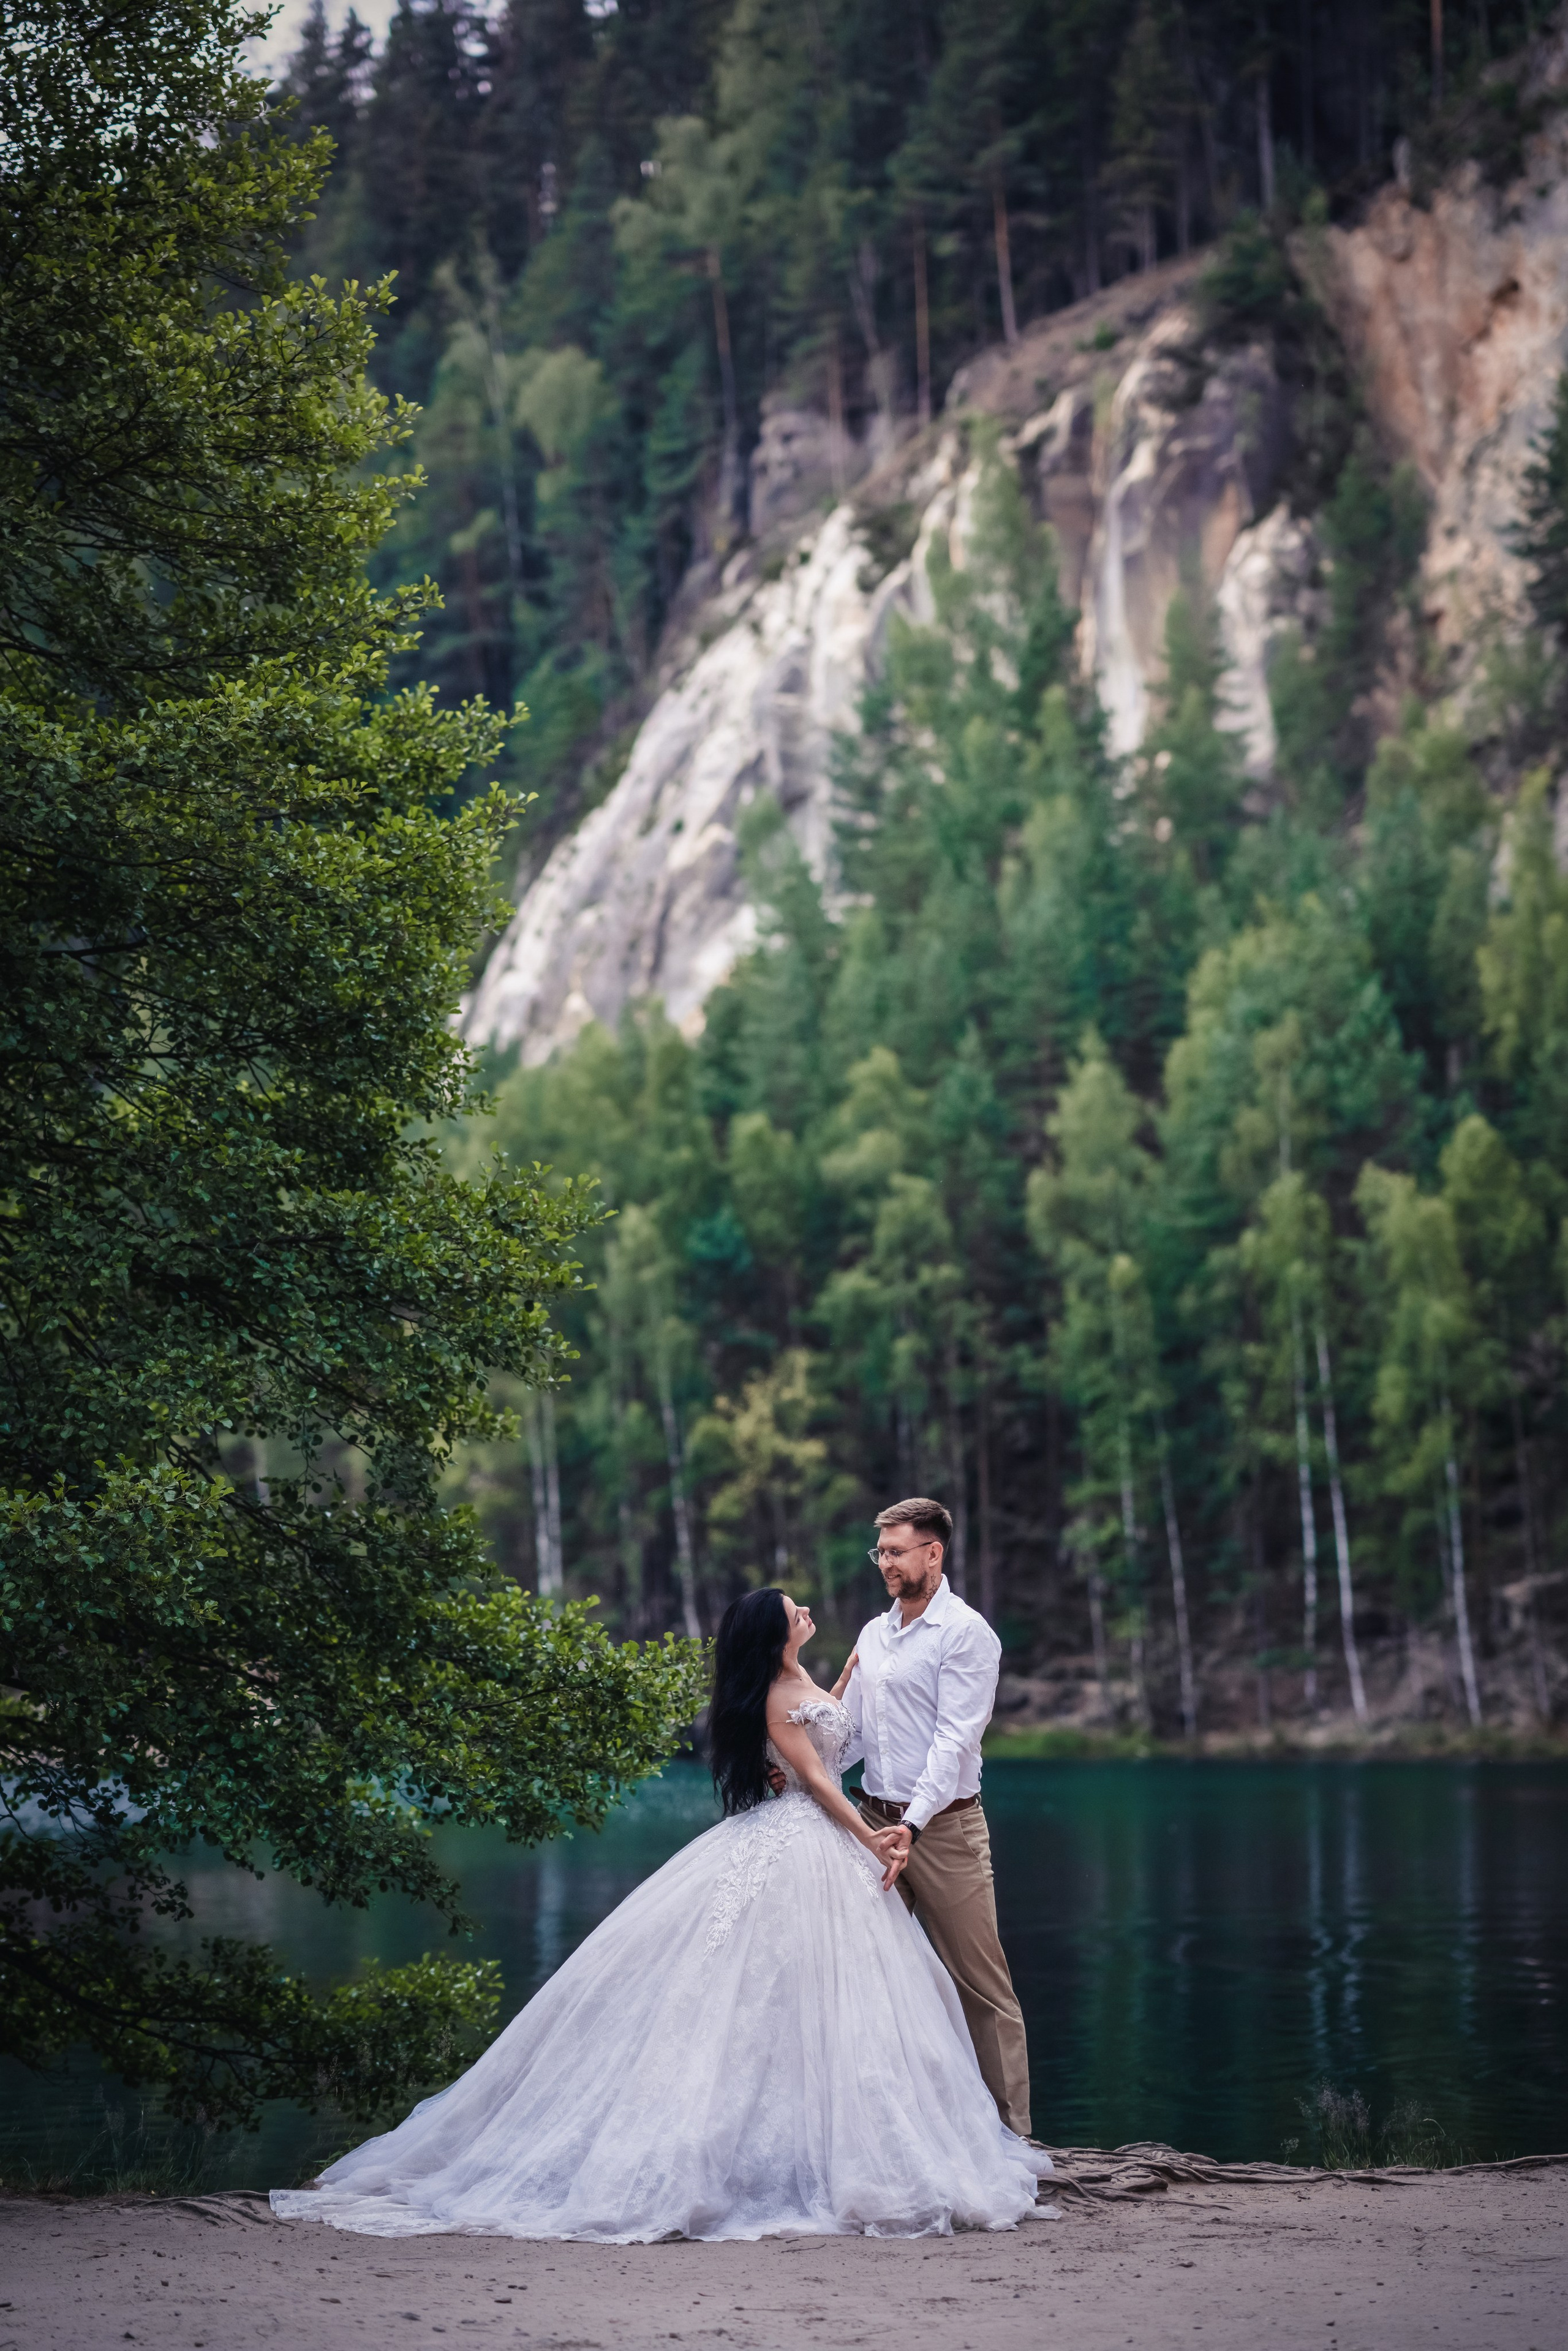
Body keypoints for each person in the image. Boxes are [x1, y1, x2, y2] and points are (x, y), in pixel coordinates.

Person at [270, 1585, 1050, 2243]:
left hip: (816, 1844)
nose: (807, 1608)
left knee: (837, 1999)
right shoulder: (780, 1695)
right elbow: (815, 1779)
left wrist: (840, 1684)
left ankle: (854, 2141)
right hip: (807, 1841)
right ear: (774, 1631)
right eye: (795, 1607)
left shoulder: (805, 1678)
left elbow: (822, 1737)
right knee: (757, 1993)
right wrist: (877, 1839)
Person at [842, 1497, 1033, 2140]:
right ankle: (892, 2139)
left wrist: (914, 1826)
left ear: (933, 1553)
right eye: (880, 1552)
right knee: (866, 1983)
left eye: (896, 1551)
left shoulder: (966, 1632)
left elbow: (955, 1739)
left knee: (982, 1989)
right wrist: (805, 1763)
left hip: (944, 1831)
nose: (885, 1564)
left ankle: (1012, 2141)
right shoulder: (873, 1634)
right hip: (870, 1827)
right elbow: (859, 1736)